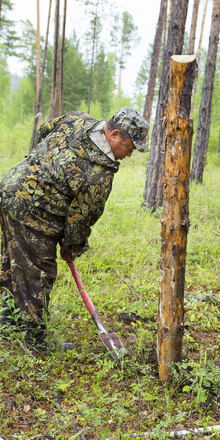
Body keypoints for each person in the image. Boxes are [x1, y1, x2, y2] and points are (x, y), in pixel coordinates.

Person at [0, 107, 149, 353]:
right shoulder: (98, 174)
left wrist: (41, 166)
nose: (129, 155)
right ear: (114, 135)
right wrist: (72, 246)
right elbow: (80, 219)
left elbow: (44, 131)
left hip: (9, 190)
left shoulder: (76, 119)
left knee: (12, 263)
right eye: (130, 147)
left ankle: (7, 323)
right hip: (35, 213)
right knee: (39, 273)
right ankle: (34, 342)